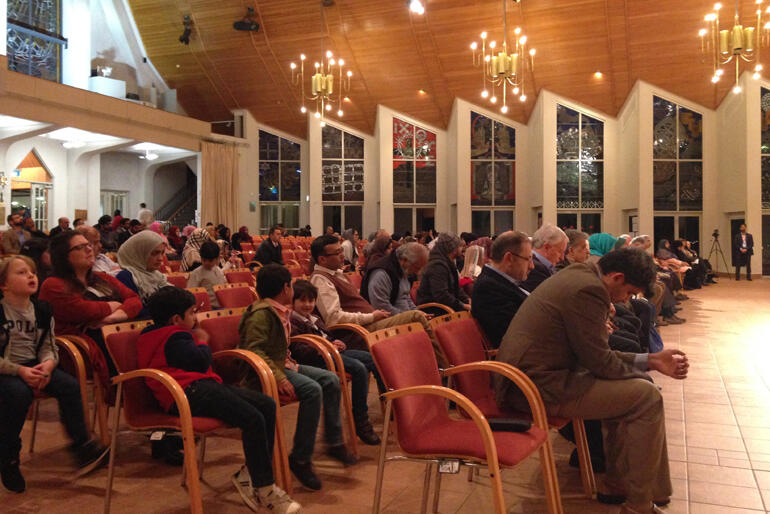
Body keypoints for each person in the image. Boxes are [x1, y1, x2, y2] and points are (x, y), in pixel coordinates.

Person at [495, 247, 689, 514]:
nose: (626, 300)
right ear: (617, 277)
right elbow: (599, 362)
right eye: (630, 293)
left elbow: (597, 355)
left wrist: (651, 361)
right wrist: (644, 373)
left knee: (636, 391)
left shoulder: (582, 274)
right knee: (646, 397)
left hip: (537, 377)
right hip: (535, 387)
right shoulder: (588, 289)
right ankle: (639, 504)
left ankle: (620, 485)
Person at [138, 287, 300, 513]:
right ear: (176, 319)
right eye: (192, 313)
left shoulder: (156, 335)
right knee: (252, 418)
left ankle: (251, 472)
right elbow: (202, 362)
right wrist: (203, 340)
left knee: (266, 404)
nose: (196, 318)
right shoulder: (175, 337)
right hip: (188, 393)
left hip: (198, 388)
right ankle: (263, 487)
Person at [239, 264, 356, 492]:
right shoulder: (261, 314)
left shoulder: (279, 310)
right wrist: (280, 377)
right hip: (263, 374)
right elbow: (254, 350)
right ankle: (301, 458)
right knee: (313, 390)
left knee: (330, 380)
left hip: (285, 365)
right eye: (291, 285)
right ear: (285, 288)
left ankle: (334, 441)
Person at [0, 255, 109, 493]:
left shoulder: (42, 309)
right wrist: (19, 370)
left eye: (32, 272)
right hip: (6, 369)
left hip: (35, 365)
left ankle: (81, 446)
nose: (31, 276)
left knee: (69, 386)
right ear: (4, 285)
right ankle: (8, 455)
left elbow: (50, 345)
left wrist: (48, 365)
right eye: (21, 273)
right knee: (19, 394)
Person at [309, 235, 448, 368]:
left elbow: (404, 297)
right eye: (337, 252)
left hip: (369, 324)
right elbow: (333, 319)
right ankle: (444, 368)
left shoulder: (336, 273)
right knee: (416, 318)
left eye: (341, 250)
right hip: (357, 333)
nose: (343, 255)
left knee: (419, 319)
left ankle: (429, 370)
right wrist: (371, 316)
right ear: (322, 259)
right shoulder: (321, 279)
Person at [39, 231, 142, 390]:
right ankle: (132, 388)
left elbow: (135, 300)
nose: (89, 249)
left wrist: (111, 318)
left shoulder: (103, 278)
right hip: (78, 348)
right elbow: (84, 311)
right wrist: (112, 305)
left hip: (111, 333)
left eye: (88, 245)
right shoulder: (53, 284)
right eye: (80, 247)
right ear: (64, 255)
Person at [289, 279, 381, 445]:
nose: (307, 304)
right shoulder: (293, 322)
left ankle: (387, 400)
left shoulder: (314, 318)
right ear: (292, 301)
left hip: (332, 351)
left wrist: (336, 341)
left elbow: (327, 335)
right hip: (318, 358)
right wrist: (327, 346)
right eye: (302, 300)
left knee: (373, 358)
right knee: (359, 368)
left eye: (311, 300)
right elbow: (300, 350)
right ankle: (360, 419)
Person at [471, 231, 534, 349]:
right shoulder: (488, 289)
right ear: (509, 258)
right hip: (516, 359)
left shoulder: (505, 281)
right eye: (528, 259)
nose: (532, 266)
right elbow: (517, 334)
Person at [361, 242, 428, 314]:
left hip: (404, 319)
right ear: (404, 260)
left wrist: (418, 313)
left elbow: (406, 298)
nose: (418, 272)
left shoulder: (404, 270)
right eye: (417, 267)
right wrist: (408, 317)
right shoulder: (381, 274)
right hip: (386, 321)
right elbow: (382, 308)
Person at [416, 233, 471, 314]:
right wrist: (463, 306)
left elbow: (456, 289)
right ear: (453, 248)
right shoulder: (437, 266)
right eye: (460, 246)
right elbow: (441, 296)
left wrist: (467, 300)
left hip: (445, 306)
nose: (462, 249)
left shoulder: (447, 263)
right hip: (435, 309)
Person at [115, 230, 170, 305]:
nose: (160, 258)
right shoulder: (126, 277)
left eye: (162, 253)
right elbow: (136, 310)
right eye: (154, 253)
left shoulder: (158, 276)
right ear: (139, 253)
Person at [520, 223, 568, 293]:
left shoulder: (542, 266)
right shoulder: (535, 269)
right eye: (560, 252)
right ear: (547, 247)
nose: (562, 258)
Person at [187, 241, 227, 308]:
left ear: (217, 258)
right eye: (204, 260)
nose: (206, 263)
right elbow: (190, 294)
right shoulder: (196, 273)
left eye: (210, 261)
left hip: (222, 305)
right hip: (207, 308)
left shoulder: (219, 270)